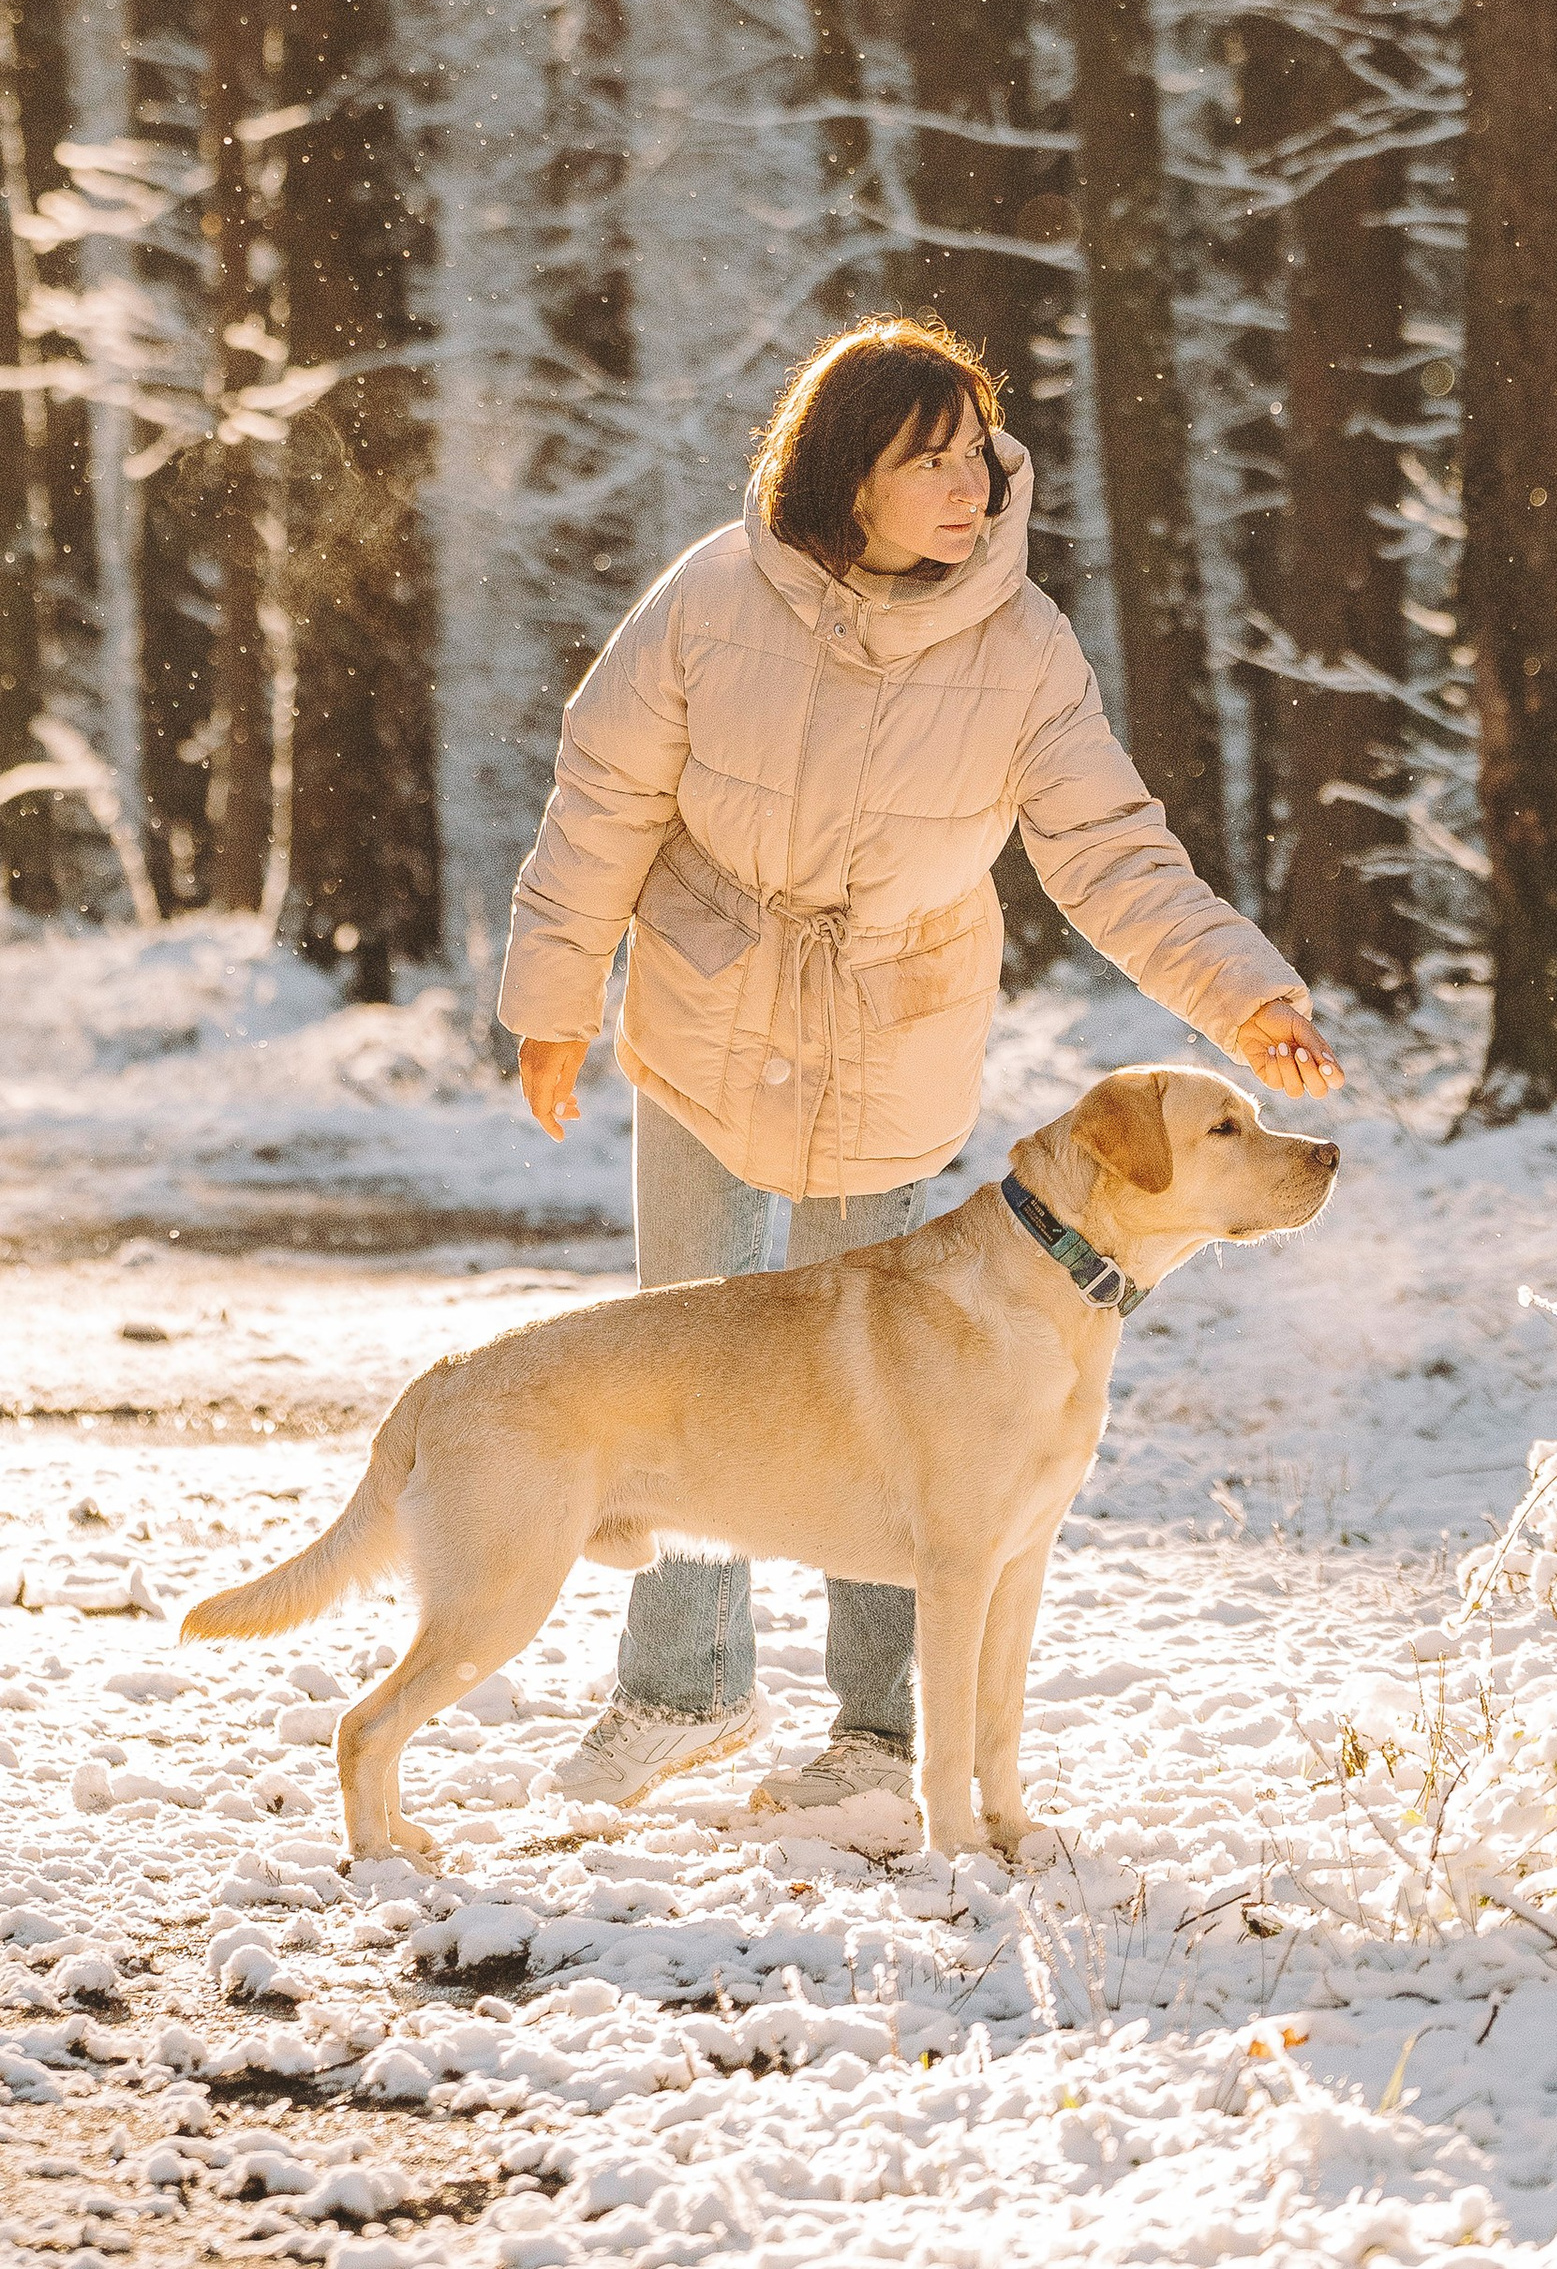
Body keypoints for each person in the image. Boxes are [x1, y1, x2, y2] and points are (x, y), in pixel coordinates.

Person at [497, 312, 1342, 1838]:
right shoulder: (709, 594)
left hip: (893, 1026)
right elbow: (603, 788)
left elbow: (1111, 852)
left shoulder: (1022, 646)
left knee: (889, 1398)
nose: (973, 488)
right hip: (704, 1002)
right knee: (682, 1355)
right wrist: (555, 997)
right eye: (932, 461)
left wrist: (1246, 994)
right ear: (848, 473)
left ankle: (881, 1732)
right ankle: (683, 1686)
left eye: (979, 458)